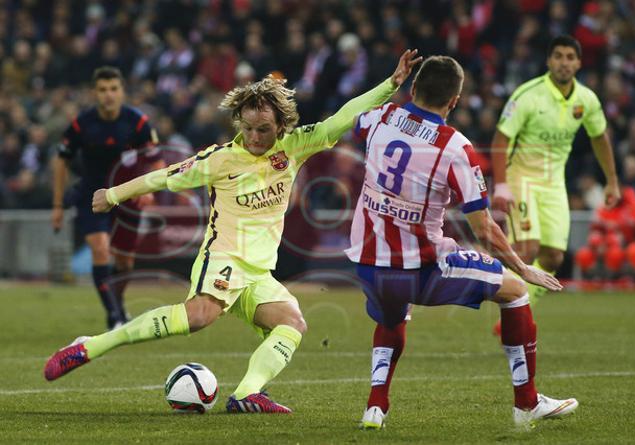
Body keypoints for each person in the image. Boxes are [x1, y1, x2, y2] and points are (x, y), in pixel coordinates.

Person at [43, 50, 423, 414]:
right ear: (239, 124)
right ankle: (91, 346)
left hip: (258, 271)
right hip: (223, 257)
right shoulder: (219, 158)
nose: (256, 138)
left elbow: (342, 117)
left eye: (265, 130)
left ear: (281, 126)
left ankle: (247, 393)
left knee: (292, 324)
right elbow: (163, 176)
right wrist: (112, 194)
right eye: (250, 129)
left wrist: (390, 84)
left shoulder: (294, 147)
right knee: (199, 317)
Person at [345, 55, 577, 430]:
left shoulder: (382, 117)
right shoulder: (455, 148)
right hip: (424, 271)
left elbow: (354, 117)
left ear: (414, 87)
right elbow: (484, 228)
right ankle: (527, 404)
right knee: (515, 291)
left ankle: (375, 406)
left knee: (392, 315)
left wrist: (391, 84)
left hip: (369, 268)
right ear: (454, 101)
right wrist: (522, 266)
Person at [490, 35, 620, 328]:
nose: (564, 62)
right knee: (527, 248)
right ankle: (512, 315)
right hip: (520, 178)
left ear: (579, 63)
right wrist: (501, 185)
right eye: (558, 56)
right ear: (549, 61)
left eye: (570, 57)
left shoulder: (586, 99)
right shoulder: (528, 95)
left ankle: (515, 310)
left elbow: (599, 137)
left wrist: (612, 180)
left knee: (553, 257)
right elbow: (501, 138)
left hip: (553, 184)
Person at [52, 66, 162, 330]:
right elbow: (61, 161)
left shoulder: (137, 122)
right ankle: (114, 316)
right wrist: (57, 205)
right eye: (102, 90)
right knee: (100, 249)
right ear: (94, 92)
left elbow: (156, 161)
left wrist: (148, 191)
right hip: (92, 196)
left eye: (113, 89)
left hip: (127, 196)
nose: (108, 95)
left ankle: (117, 305)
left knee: (125, 261)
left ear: (122, 91)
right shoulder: (82, 123)